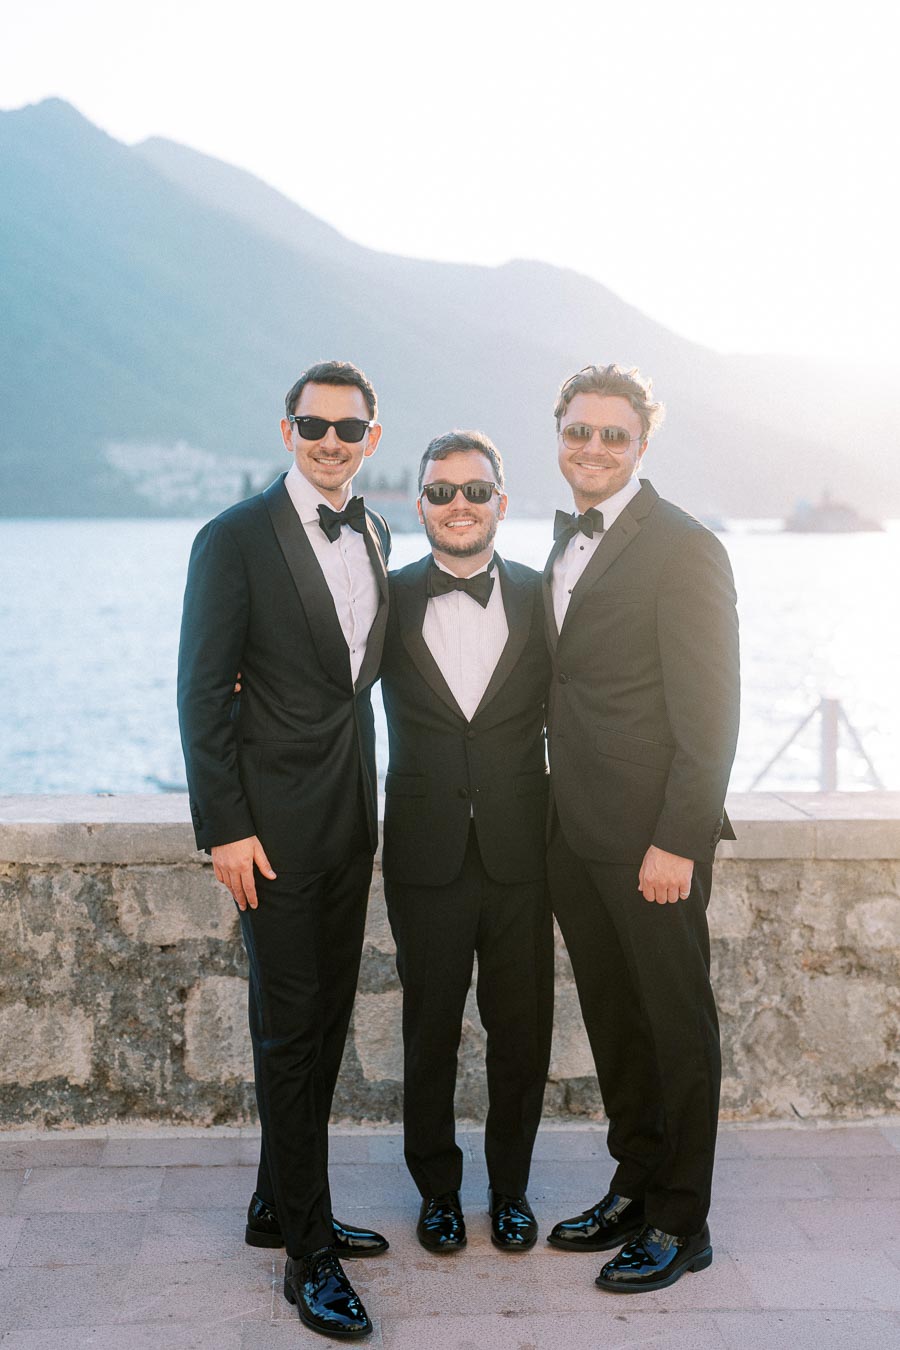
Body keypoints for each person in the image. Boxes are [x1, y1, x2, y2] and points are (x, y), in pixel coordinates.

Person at [177, 360, 391, 1341]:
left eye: (349, 428)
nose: (331, 441)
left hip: (351, 825)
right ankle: (309, 1255)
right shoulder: (232, 538)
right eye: (315, 425)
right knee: (289, 1030)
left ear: (372, 438)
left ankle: (278, 1200)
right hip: (267, 837)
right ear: (287, 429)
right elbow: (200, 694)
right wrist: (224, 827)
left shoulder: (378, 532)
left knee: (326, 1023)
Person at [542, 363, 740, 1293]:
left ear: (641, 446)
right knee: (615, 1021)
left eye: (612, 435)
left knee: (674, 1025)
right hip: (571, 833)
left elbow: (712, 714)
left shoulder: (684, 546)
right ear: (560, 436)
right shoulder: (561, 546)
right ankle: (634, 1180)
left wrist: (679, 840)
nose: (593, 447)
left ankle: (681, 1219)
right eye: (579, 431)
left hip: (653, 840)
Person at [379, 431, 554, 1254]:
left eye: (475, 491)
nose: (459, 504)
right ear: (420, 505)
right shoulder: (384, 598)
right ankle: (438, 1192)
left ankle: (512, 1189)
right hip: (425, 853)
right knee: (430, 1029)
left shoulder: (543, 595)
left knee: (521, 1031)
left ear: (500, 503)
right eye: (442, 491)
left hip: (525, 852)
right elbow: (315, 672)